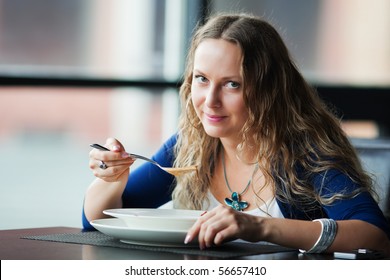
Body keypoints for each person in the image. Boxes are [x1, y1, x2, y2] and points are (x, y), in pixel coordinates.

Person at [83, 13, 390, 255]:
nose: (210, 100)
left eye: (233, 84)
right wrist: (111, 181)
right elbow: (97, 224)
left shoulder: (306, 151)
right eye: (202, 79)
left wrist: (259, 227)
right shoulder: (190, 145)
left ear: (268, 89)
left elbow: (375, 235)